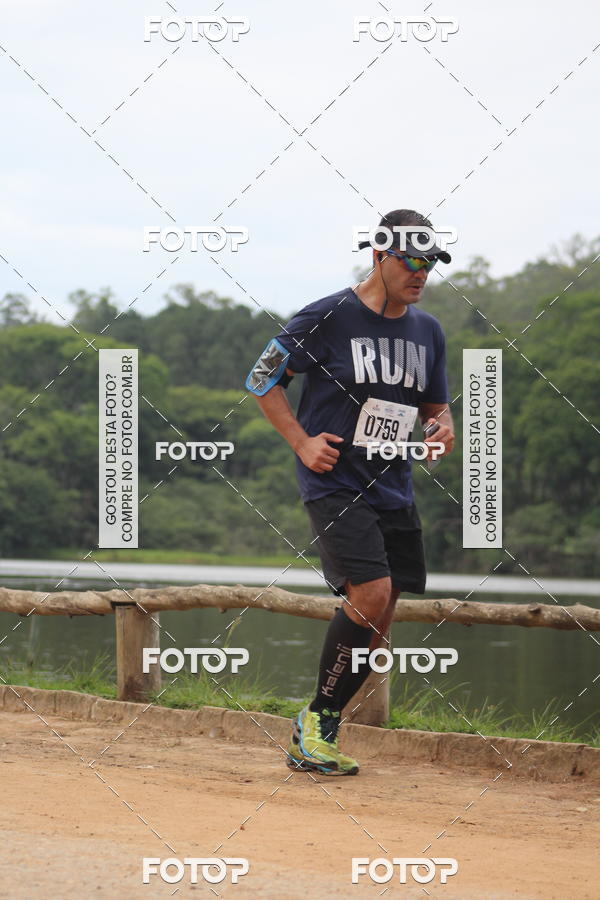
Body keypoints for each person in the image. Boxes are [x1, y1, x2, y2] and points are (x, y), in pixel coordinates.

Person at [245, 209, 455, 775]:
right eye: (411, 261)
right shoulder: (328, 316)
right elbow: (261, 378)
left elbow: (434, 406)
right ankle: (314, 725)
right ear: (378, 257)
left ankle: (320, 728)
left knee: (382, 613)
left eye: (430, 263)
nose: (421, 274)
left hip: (395, 487)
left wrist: (441, 428)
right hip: (334, 481)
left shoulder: (427, 330)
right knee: (371, 591)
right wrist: (301, 441)